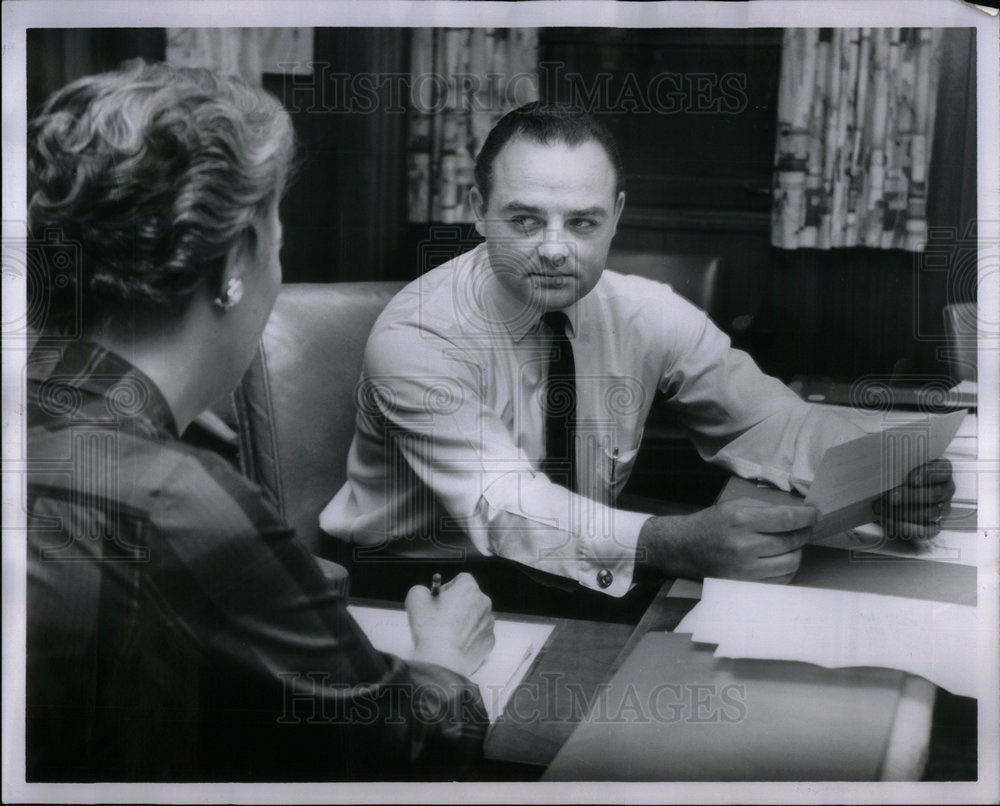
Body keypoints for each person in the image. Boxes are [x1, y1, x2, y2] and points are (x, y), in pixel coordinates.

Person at [25, 60, 494, 782]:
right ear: (239, 253)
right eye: (279, 226)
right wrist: (444, 660)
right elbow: (401, 752)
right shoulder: (174, 503)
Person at [320, 102, 954, 613]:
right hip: (416, 589)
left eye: (583, 223)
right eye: (523, 219)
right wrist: (667, 541)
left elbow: (766, 417)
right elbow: (504, 503)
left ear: (616, 217)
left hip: (580, 567)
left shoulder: (643, 311)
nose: (554, 249)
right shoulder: (420, 337)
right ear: (478, 211)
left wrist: (879, 468)